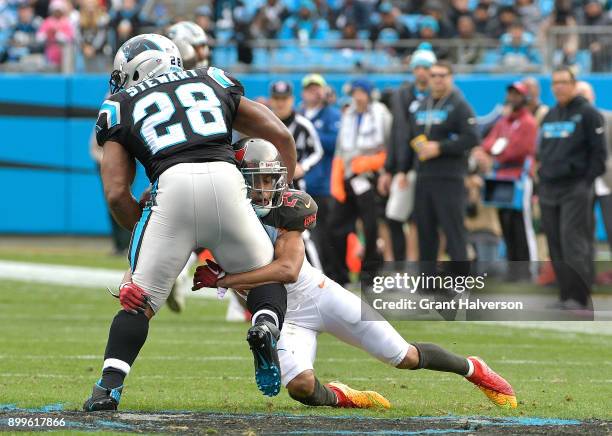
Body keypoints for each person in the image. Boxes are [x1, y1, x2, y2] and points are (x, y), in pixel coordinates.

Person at [193, 138, 517, 410]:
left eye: (269, 179)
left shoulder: (289, 206)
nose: (264, 189)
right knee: (301, 387)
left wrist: (223, 281)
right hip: (285, 319)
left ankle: (473, 369)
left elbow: (287, 270)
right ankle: (343, 396)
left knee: (403, 356)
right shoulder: (218, 214)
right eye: (256, 179)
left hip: (319, 296)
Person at [83, 34, 297, 411]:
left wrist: (142, 233)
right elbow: (279, 134)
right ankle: (264, 325)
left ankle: (108, 388)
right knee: (266, 275)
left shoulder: (119, 104)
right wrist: (285, 192)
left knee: (138, 301)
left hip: (172, 186)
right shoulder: (212, 78)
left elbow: (116, 193)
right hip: (226, 179)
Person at [538, 67, 606, 311]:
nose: (559, 87)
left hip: (575, 186)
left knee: (573, 242)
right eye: (555, 83)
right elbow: (543, 152)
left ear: (574, 84)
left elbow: (599, 154)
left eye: (564, 82)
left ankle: (580, 296)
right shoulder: (550, 115)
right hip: (549, 188)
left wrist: (584, 183)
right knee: (555, 242)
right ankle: (565, 294)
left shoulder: (588, 113)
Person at [402, 61, 480, 271]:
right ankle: (427, 282)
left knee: (454, 232)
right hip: (423, 177)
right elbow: (411, 135)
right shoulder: (420, 105)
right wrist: (403, 170)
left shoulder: (459, 105)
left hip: (449, 177)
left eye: (442, 75)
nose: (437, 79)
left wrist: (441, 147)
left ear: (450, 78)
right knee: (425, 231)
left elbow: (472, 137)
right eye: (434, 75)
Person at [329, 79, 391, 284]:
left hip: (370, 176)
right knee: (336, 226)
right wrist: (336, 179)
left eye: (361, 92)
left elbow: (388, 146)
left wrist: (374, 163)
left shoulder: (381, 114)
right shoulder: (348, 114)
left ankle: (370, 275)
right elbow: (340, 149)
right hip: (348, 176)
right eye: (354, 92)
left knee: (371, 227)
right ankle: (340, 274)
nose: (358, 96)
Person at [379, 43, 436, 262]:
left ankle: (422, 267)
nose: (421, 71)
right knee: (395, 216)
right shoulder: (403, 94)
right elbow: (398, 134)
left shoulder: (438, 97)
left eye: (426, 67)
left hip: (430, 169)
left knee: (424, 221)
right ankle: (402, 266)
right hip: (407, 169)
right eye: (418, 67)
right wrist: (394, 169)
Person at [476, 81, 538, 281]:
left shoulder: (528, 122)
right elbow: (487, 143)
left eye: (517, 94)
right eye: (511, 94)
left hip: (519, 178)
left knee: (522, 224)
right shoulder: (504, 121)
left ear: (525, 98)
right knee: (506, 223)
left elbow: (519, 150)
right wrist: (497, 150)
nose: (513, 98)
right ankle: (513, 269)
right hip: (501, 177)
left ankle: (528, 269)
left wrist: (498, 151)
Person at [299, 74, 341, 276]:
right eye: (310, 88)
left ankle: (327, 274)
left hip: (323, 184)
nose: (313, 92)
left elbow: (335, 143)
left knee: (324, 233)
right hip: (300, 184)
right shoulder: (298, 114)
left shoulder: (331, 115)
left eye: (317, 88)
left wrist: (309, 132)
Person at [574, 81, 612, 284]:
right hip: (583, 183)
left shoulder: (608, 118)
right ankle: (587, 276)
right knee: (583, 231)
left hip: (607, 182)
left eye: (585, 94)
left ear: (593, 96)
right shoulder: (573, 121)